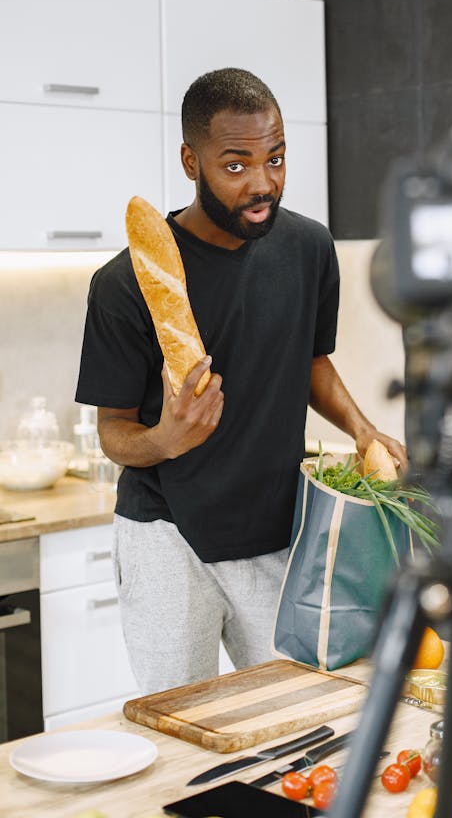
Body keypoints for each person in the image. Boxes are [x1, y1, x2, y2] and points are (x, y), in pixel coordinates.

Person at [75, 67, 406, 694]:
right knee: (182, 733)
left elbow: (307, 360)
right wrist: (168, 438)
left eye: (275, 158)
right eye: (236, 166)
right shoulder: (126, 283)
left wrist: (364, 431)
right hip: (167, 537)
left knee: (296, 719)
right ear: (190, 161)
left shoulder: (309, 247)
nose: (263, 184)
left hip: (278, 530)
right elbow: (114, 434)